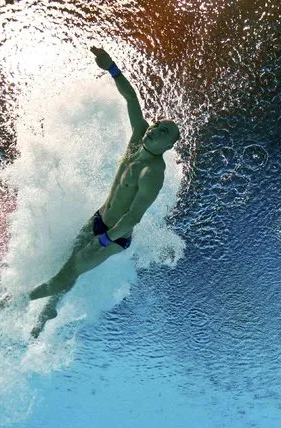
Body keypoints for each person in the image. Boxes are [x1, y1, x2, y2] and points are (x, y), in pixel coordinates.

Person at [27, 47, 180, 338]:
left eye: (163, 133)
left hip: (114, 236)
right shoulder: (139, 137)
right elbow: (131, 98)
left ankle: (18, 300)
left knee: (66, 273)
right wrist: (111, 66)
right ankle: (50, 308)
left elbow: (134, 216)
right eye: (159, 124)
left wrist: (104, 239)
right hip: (99, 217)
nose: (155, 129)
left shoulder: (153, 173)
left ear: (168, 147)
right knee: (69, 266)